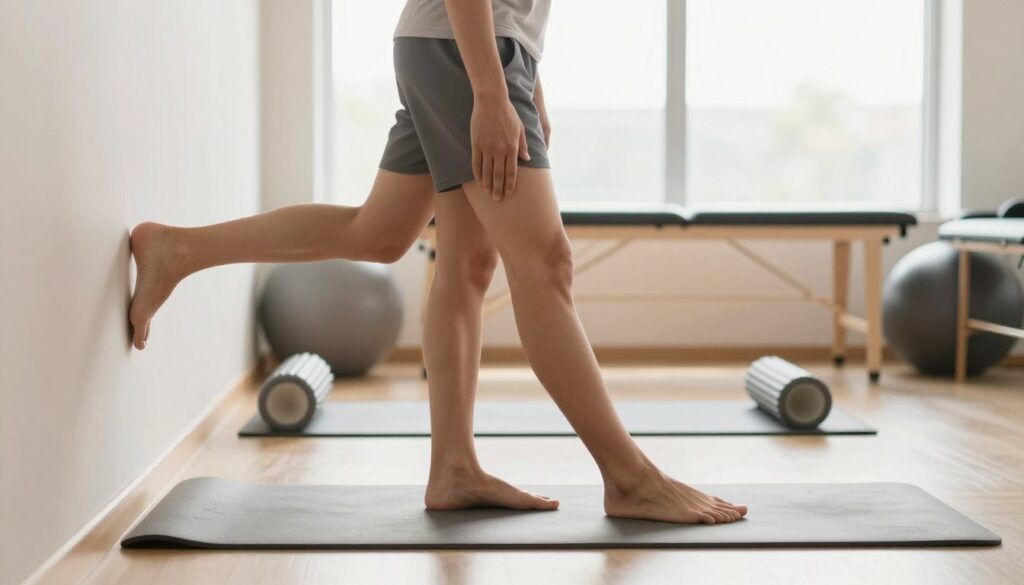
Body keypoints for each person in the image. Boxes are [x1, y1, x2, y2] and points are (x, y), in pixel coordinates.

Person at [128, 0, 747, 524]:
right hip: (464, 50)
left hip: (465, 49)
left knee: (394, 238)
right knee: (545, 265)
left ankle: (181, 249)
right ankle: (630, 477)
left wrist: (526, 82)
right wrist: (489, 90)